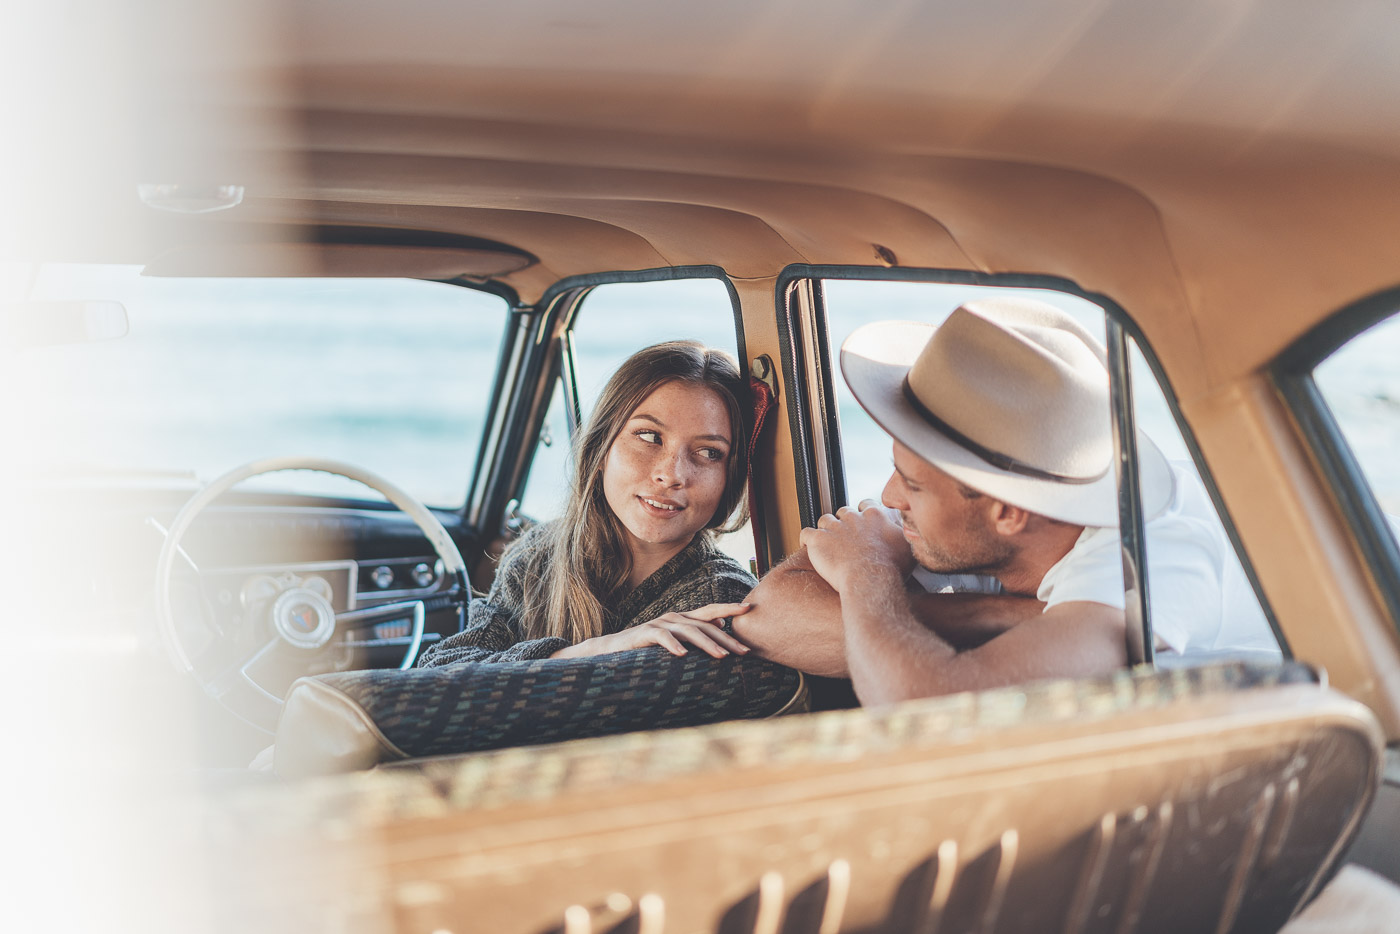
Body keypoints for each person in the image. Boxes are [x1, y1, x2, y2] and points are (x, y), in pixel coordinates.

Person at [727, 297, 1280, 704]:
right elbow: (766, 618)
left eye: (912, 485)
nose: (890, 499)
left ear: (1010, 511)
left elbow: (927, 709)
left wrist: (867, 574)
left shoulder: (1152, 555)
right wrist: (1016, 617)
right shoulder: (969, 493)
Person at [418, 339, 756, 667]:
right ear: (601, 449)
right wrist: (603, 648)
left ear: (730, 477)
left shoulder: (721, 595)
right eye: (649, 437)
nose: (671, 474)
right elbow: (441, 672)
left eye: (709, 453)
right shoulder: (538, 554)